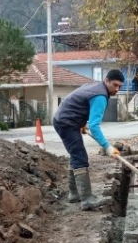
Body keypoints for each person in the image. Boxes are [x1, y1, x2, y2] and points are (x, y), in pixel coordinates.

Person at [53, 69, 125, 210]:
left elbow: (79, 104)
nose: (117, 89)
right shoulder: (100, 96)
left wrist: (81, 123)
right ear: (107, 81)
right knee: (80, 157)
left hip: (64, 119)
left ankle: (74, 195)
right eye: (115, 85)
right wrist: (108, 147)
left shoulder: (94, 87)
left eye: (120, 87)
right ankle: (86, 199)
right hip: (66, 122)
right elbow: (95, 126)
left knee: (76, 155)